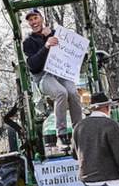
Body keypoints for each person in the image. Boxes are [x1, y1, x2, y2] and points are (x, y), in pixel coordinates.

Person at [22, 8, 83, 147]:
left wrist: (52, 35)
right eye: (30, 20)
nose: (33, 22)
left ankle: (79, 130)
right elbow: (32, 65)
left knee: (73, 92)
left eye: (35, 18)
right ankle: (61, 134)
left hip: (60, 72)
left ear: (41, 18)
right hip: (43, 76)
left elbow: (68, 49)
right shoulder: (28, 42)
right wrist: (46, 46)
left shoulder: (55, 34)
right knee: (61, 93)